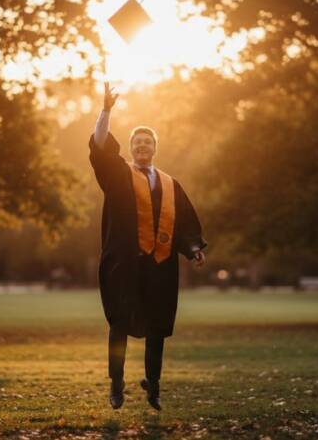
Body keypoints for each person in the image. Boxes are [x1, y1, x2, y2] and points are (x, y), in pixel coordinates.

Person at [89, 82, 207, 410]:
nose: (142, 146)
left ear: (155, 147)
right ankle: (116, 384)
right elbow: (99, 148)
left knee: (157, 327)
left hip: (160, 266)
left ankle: (153, 385)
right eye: (137, 142)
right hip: (126, 264)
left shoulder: (170, 184)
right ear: (130, 148)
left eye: (148, 142)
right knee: (120, 324)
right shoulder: (118, 175)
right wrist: (107, 110)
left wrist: (193, 247)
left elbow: (184, 224)